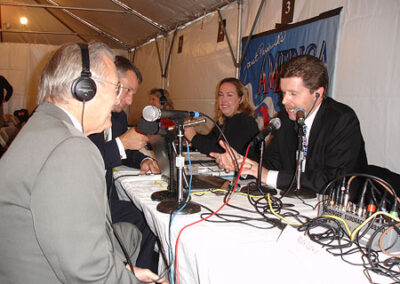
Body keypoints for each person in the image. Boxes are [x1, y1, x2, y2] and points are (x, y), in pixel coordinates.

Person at [0, 42, 167, 284]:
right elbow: (89, 273)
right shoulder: (71, 148)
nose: (119, 100)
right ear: (85, 89)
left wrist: (123, 269)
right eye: (116, 88)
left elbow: (73, 249)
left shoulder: (43, 126)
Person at [210, 55, 368, 194]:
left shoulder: (342, 120)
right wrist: (244, 164)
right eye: (283, 93)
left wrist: (267, 175)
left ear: (318, 94)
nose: (284, 101)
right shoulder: (286, 118)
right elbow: (272, 162)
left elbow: (335, 181)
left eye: (293, 94)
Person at [89, 56, 160, 273]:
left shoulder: (117, 117)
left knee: (152, 218)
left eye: (133, 93)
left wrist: (145, 159)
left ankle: (144, 274)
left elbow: (126, 152)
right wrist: (121, 143)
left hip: (106, 199)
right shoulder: (88, 117)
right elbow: (86, 159)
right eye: (127, 90)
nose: (129, 100)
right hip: (91, 204)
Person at [184, 77, 259, 159]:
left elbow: (224, 152)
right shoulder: (223, 120)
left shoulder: (245, 121)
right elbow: (210, 141)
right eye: (221, 95)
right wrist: (190, 132)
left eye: (229, 95)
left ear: (241, 99)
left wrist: (194, 138)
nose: (224, 100)